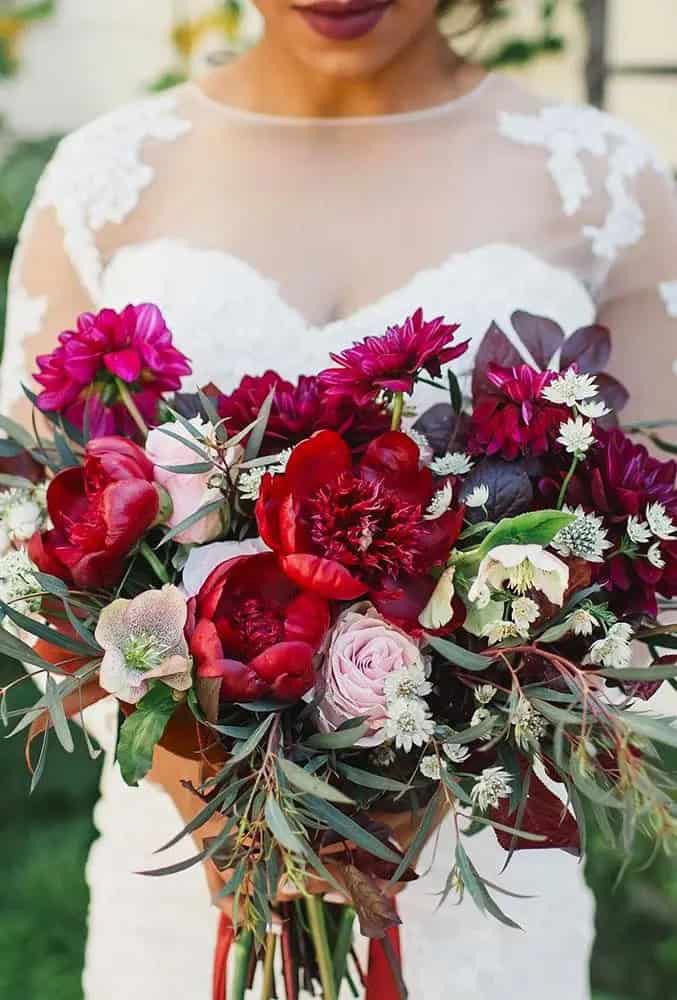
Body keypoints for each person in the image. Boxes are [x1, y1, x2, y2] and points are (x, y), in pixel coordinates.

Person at [3, 1, 677, 996]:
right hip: (184, 884)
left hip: (472, 892)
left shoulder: (601, 180)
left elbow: (647, 547)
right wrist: (201, 763)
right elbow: (30, 525)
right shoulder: (111, 174)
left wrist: (439, 757)